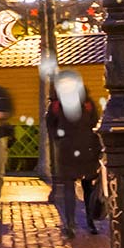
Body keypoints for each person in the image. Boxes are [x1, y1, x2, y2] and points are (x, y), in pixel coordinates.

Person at [46, 73, 103, 239]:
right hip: (76, 150)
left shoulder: (81, 103)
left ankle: (80, 222)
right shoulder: (65, 104)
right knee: (77, 187)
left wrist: (60, 137)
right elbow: (51, 124)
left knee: (81, 188)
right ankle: (79, 222)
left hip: (80, 150)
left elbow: (95, 124)